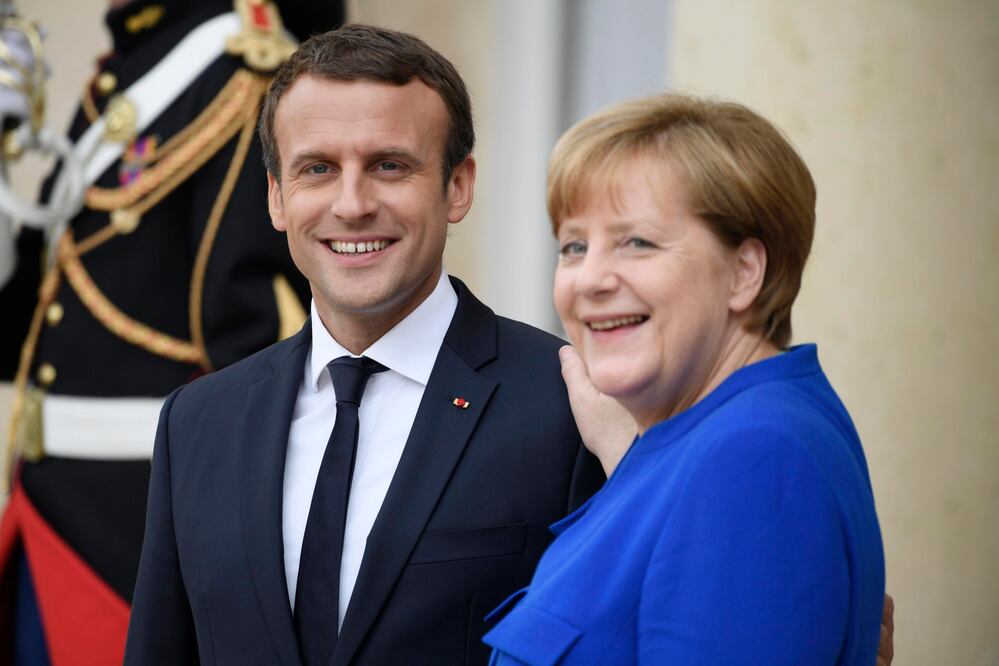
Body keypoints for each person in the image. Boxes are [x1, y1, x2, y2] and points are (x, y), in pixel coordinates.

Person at [123, 24, 604, 665]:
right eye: (318, 169)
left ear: (457, 186)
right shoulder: (197, 423)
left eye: (389, 166)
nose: (352, 205)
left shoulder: (569, 405)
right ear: (276, 196)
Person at [483, 93, 886, 664]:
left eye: (636, 242)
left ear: (744, 272)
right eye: (574, 246)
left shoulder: (753, 455)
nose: (590, 278)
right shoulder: (710, 432)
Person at [0, 1, 344, 663]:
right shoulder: (129, 69)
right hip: (46, 514)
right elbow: (16, 328)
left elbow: (259, 349)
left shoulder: (237, 69)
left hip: (138, 539)